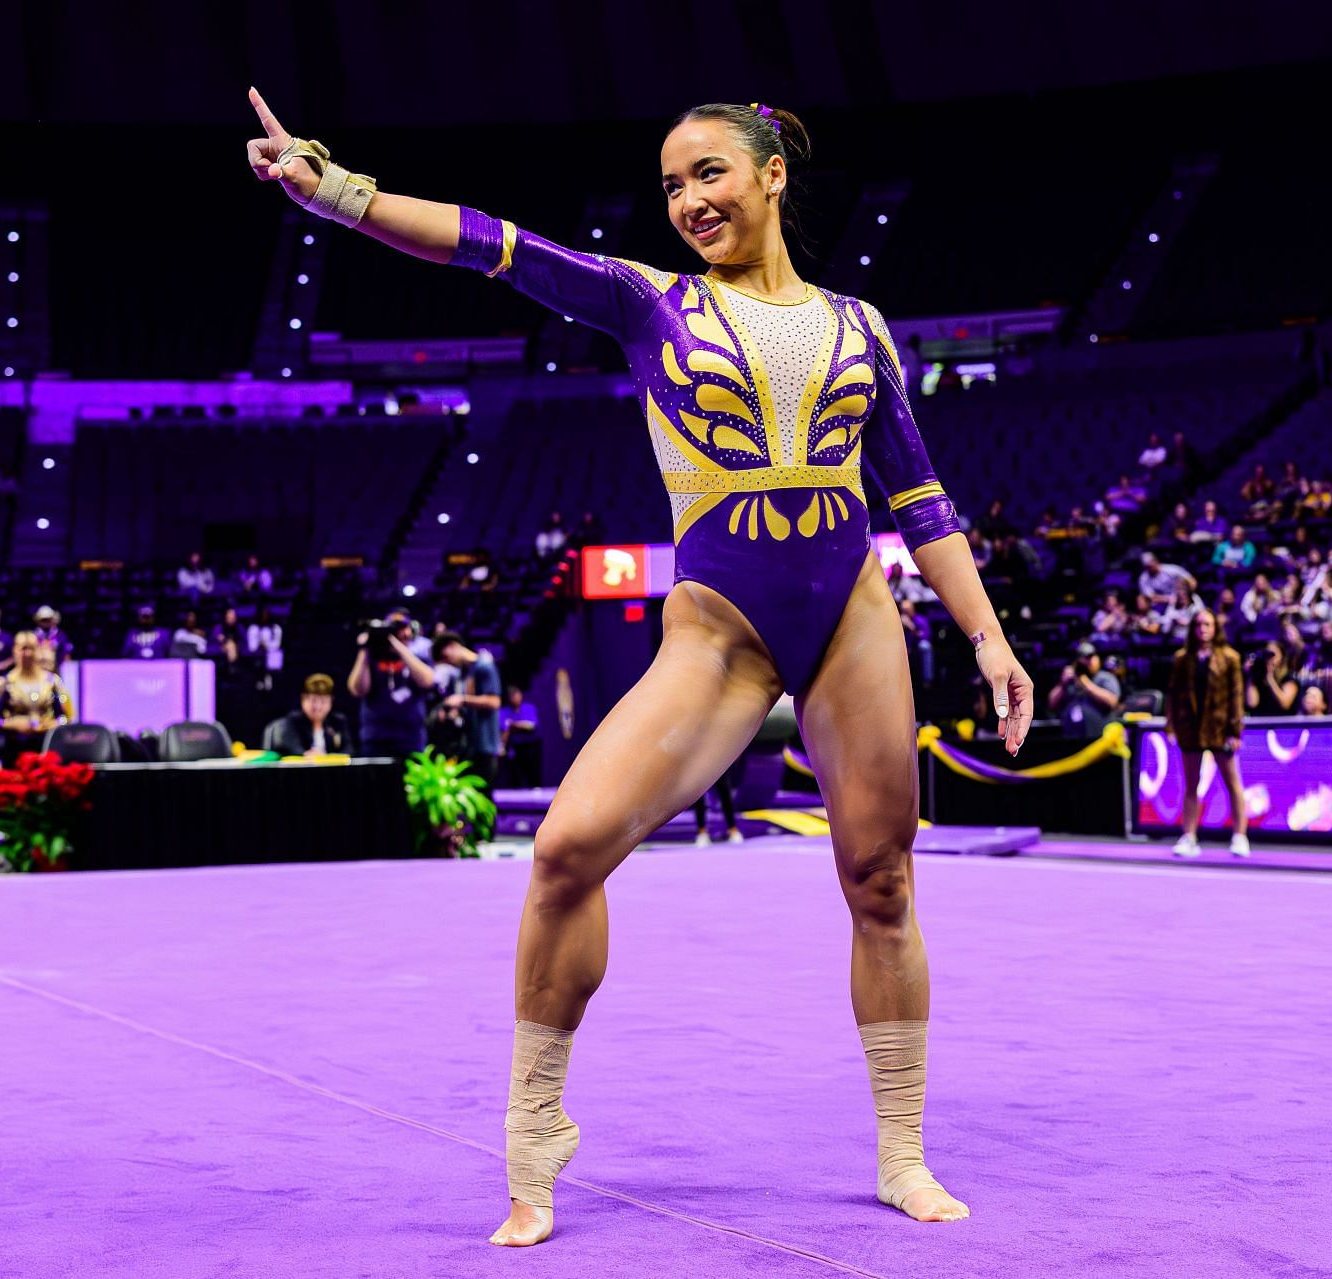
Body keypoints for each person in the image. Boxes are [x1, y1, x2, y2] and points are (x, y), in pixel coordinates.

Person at [249, 90, 1033, 1239]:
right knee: (566, 847)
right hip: (721, 627)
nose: (688, 201)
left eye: (709, 173)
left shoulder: (862, 327)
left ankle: (902, 1147)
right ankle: (535, 1132)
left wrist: (987, 634)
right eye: (671, 185)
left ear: (772, 177)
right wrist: (337, 194)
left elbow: (918, 498)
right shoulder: (646, 300)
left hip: (855, 617)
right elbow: (487, 244)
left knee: (882, 882)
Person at [1166, 610, 1248, 858]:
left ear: (1215, 628)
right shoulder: (1182, 659)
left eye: (1208, 624)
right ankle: (1189, 836)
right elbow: (1172, 694)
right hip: (1191, 729)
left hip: (1220, 729)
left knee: (1233, 784)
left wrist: (1235, 731)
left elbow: (1236, 696)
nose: (1203, 628)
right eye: (1199, 624)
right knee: (1190, 785)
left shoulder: (1230, 658)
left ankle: (1240, 836)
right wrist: (1171, 726)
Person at [347, 612, 436, 758]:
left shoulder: (416, 658)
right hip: (376, 739)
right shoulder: (370, 660)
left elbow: (428, 681)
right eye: (395, 628)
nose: (402, 633)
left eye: (403, 628)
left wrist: (398, 646)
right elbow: (357, 690)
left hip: (411, 738)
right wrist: (365, 649)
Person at [0, 632, 73, 765]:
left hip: (46, 748)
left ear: (37, 650)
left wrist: (48, 724)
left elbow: (66, 718)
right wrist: (12, 724)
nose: (27, 653)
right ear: (14, 650)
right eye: (23, 648)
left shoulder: (53, 682)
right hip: (13, 749)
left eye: (31, 648)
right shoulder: (2, 684)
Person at [432, 631, 504, 787]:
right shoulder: (466, 672)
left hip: (485, 744)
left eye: (446, 658)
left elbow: (494, 701)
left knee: (484, 798)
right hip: (471, 744)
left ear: (453, 647)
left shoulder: (484, 665)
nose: (449, 664)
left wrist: (462, 700)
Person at [267, 672, 353, 756]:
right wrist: (306, 755)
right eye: (313, 700)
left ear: (331, 701)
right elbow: (288, 747)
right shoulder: (292, 721)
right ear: (303, 699)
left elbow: (349, 750)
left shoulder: (338, 721)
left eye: (323, 701)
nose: (318, 706)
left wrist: (326, 758)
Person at [1047, 642, 1119, 740]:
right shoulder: (1069, 681)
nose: (1089, 661)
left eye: (1092, 657)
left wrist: (1085, 682)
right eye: (1085, 658)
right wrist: (1062, 683)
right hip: (1072, 736)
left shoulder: (1105, 677)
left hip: (1101, 737)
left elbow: (1112, 702)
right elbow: (1052, 704)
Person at [499, 685, 543, 788]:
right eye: (512, 696)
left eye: (516, 694)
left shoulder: (529, 708)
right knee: (515, 776)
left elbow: (531, 726)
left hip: (531, 746)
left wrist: (514, 725)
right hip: (515, 747)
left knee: (533, 773)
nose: (515, 698)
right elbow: (504, 729)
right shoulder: (504, 712)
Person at [31, 605, 73, 673]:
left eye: (48, 619)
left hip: (58, 671)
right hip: (38, 671)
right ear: (38, 621)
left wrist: (66, 671)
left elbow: (66, 655)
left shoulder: (60, 635)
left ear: (52, 620)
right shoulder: (33, 636)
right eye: (43, 620)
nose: (45, 622)